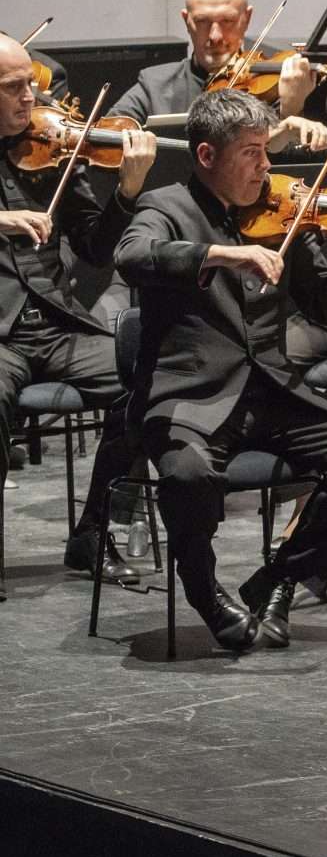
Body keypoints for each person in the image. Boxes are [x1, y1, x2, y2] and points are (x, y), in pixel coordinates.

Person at [117, 88, 327, 651]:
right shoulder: (166, 207)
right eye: (250, 153)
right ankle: (202, 588)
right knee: (188, 477)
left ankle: (280, 576)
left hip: (272, 389)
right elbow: (132, 256)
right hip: (190, 394)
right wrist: (221, 254)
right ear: (206, 156)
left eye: (266, 150)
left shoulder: (285, 212)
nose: (266, 166)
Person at [1, 35, 156, 582]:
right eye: (14, 87)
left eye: (32, 85)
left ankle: (93, 532)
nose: (31, 97)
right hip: (0, 336)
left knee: (144, 377)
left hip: (57, 324)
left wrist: (128, 192)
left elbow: (95, 246)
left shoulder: (54, 148)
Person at [106, 0, 327, 148]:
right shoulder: (154, 86)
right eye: (203, 22)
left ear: (247, 18)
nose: (215, 36)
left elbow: (289, 167)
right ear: (187, 21)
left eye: (227, 21)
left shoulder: (281, 84)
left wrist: (290, 108)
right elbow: (108, 134)